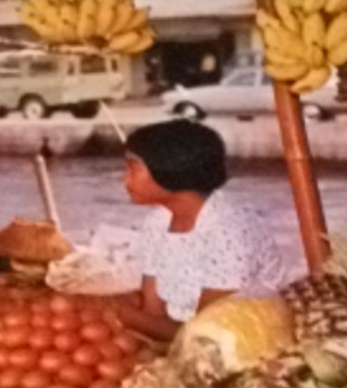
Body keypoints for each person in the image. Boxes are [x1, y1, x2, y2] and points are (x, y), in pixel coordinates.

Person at [114, 118, 292, 340]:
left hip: (239, 341)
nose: (124, 179)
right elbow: (155, 312)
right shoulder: (157, 224)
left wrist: (127, 317)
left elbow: (206, 332)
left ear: (170, 169)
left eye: (133, 169)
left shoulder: (229, 229)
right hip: (181, 336)